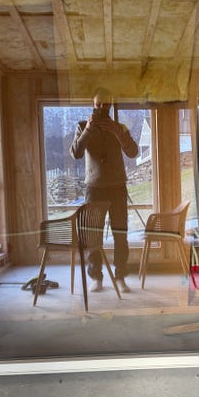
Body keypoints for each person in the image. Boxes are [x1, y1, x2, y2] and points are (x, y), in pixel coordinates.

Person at [70, 87, 138, 293]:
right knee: (93, 236)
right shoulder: (83, 126)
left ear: (111, 104)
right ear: (92, 104)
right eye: (98, 103)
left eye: (106, 103)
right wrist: (89, 130)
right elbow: (76, 153)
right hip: (94, 188)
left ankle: (120, 277)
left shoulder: (119, 127)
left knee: (120, 234)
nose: (102, 107)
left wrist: (118, 132)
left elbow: (133, 152)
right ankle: (96, 277)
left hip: (117, 187)